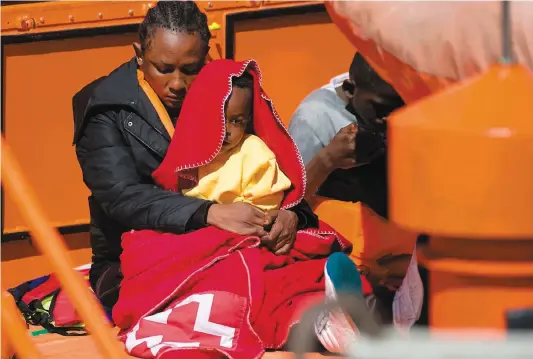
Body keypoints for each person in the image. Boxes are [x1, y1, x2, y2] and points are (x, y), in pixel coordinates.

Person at [113, 59, 372, 357]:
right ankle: (321, 321)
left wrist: (248, 226)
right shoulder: (187, 147)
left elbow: (266, 208)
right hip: (200, 239)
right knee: (144, 248)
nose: (228, 131)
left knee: (268, 280)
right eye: (220, 119)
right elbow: (170, 200)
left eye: (237, 121)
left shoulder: (254, 153)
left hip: (247, 238)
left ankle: (327, 320)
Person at [71, 1, 315, 311]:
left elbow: (263, 160)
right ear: (139, 54)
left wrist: (294, 214)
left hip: (235, 239)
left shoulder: (225, 93)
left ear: (206, 59)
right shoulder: (103, 106)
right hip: (129, 263)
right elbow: (121, 196)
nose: (176, 84)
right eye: (163, 68)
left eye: (190, 70)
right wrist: (209, 214)